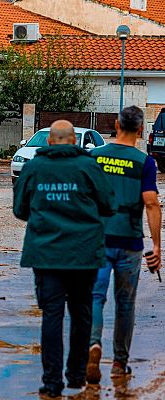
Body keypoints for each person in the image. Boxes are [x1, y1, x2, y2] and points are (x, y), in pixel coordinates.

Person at [13, 120, 116, 399]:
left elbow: (20, 210)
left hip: (46, 256)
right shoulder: (89, 167)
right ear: (73, 141)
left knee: (52, 316)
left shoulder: (34, 167)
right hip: (83, 255)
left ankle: (51, 382)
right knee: (82, 313)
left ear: (49, 142)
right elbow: (108, 205)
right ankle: (76, 375)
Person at [86, 106, 162, 384]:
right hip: (130, 243)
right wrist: (156, 246)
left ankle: (93, 345)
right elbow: (151, 203)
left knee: (95, 296)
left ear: (116, 125)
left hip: (98, 240)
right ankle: (119, 363)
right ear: (141, 130)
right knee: (125, 303)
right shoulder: (144, 163)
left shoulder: (94, 157)